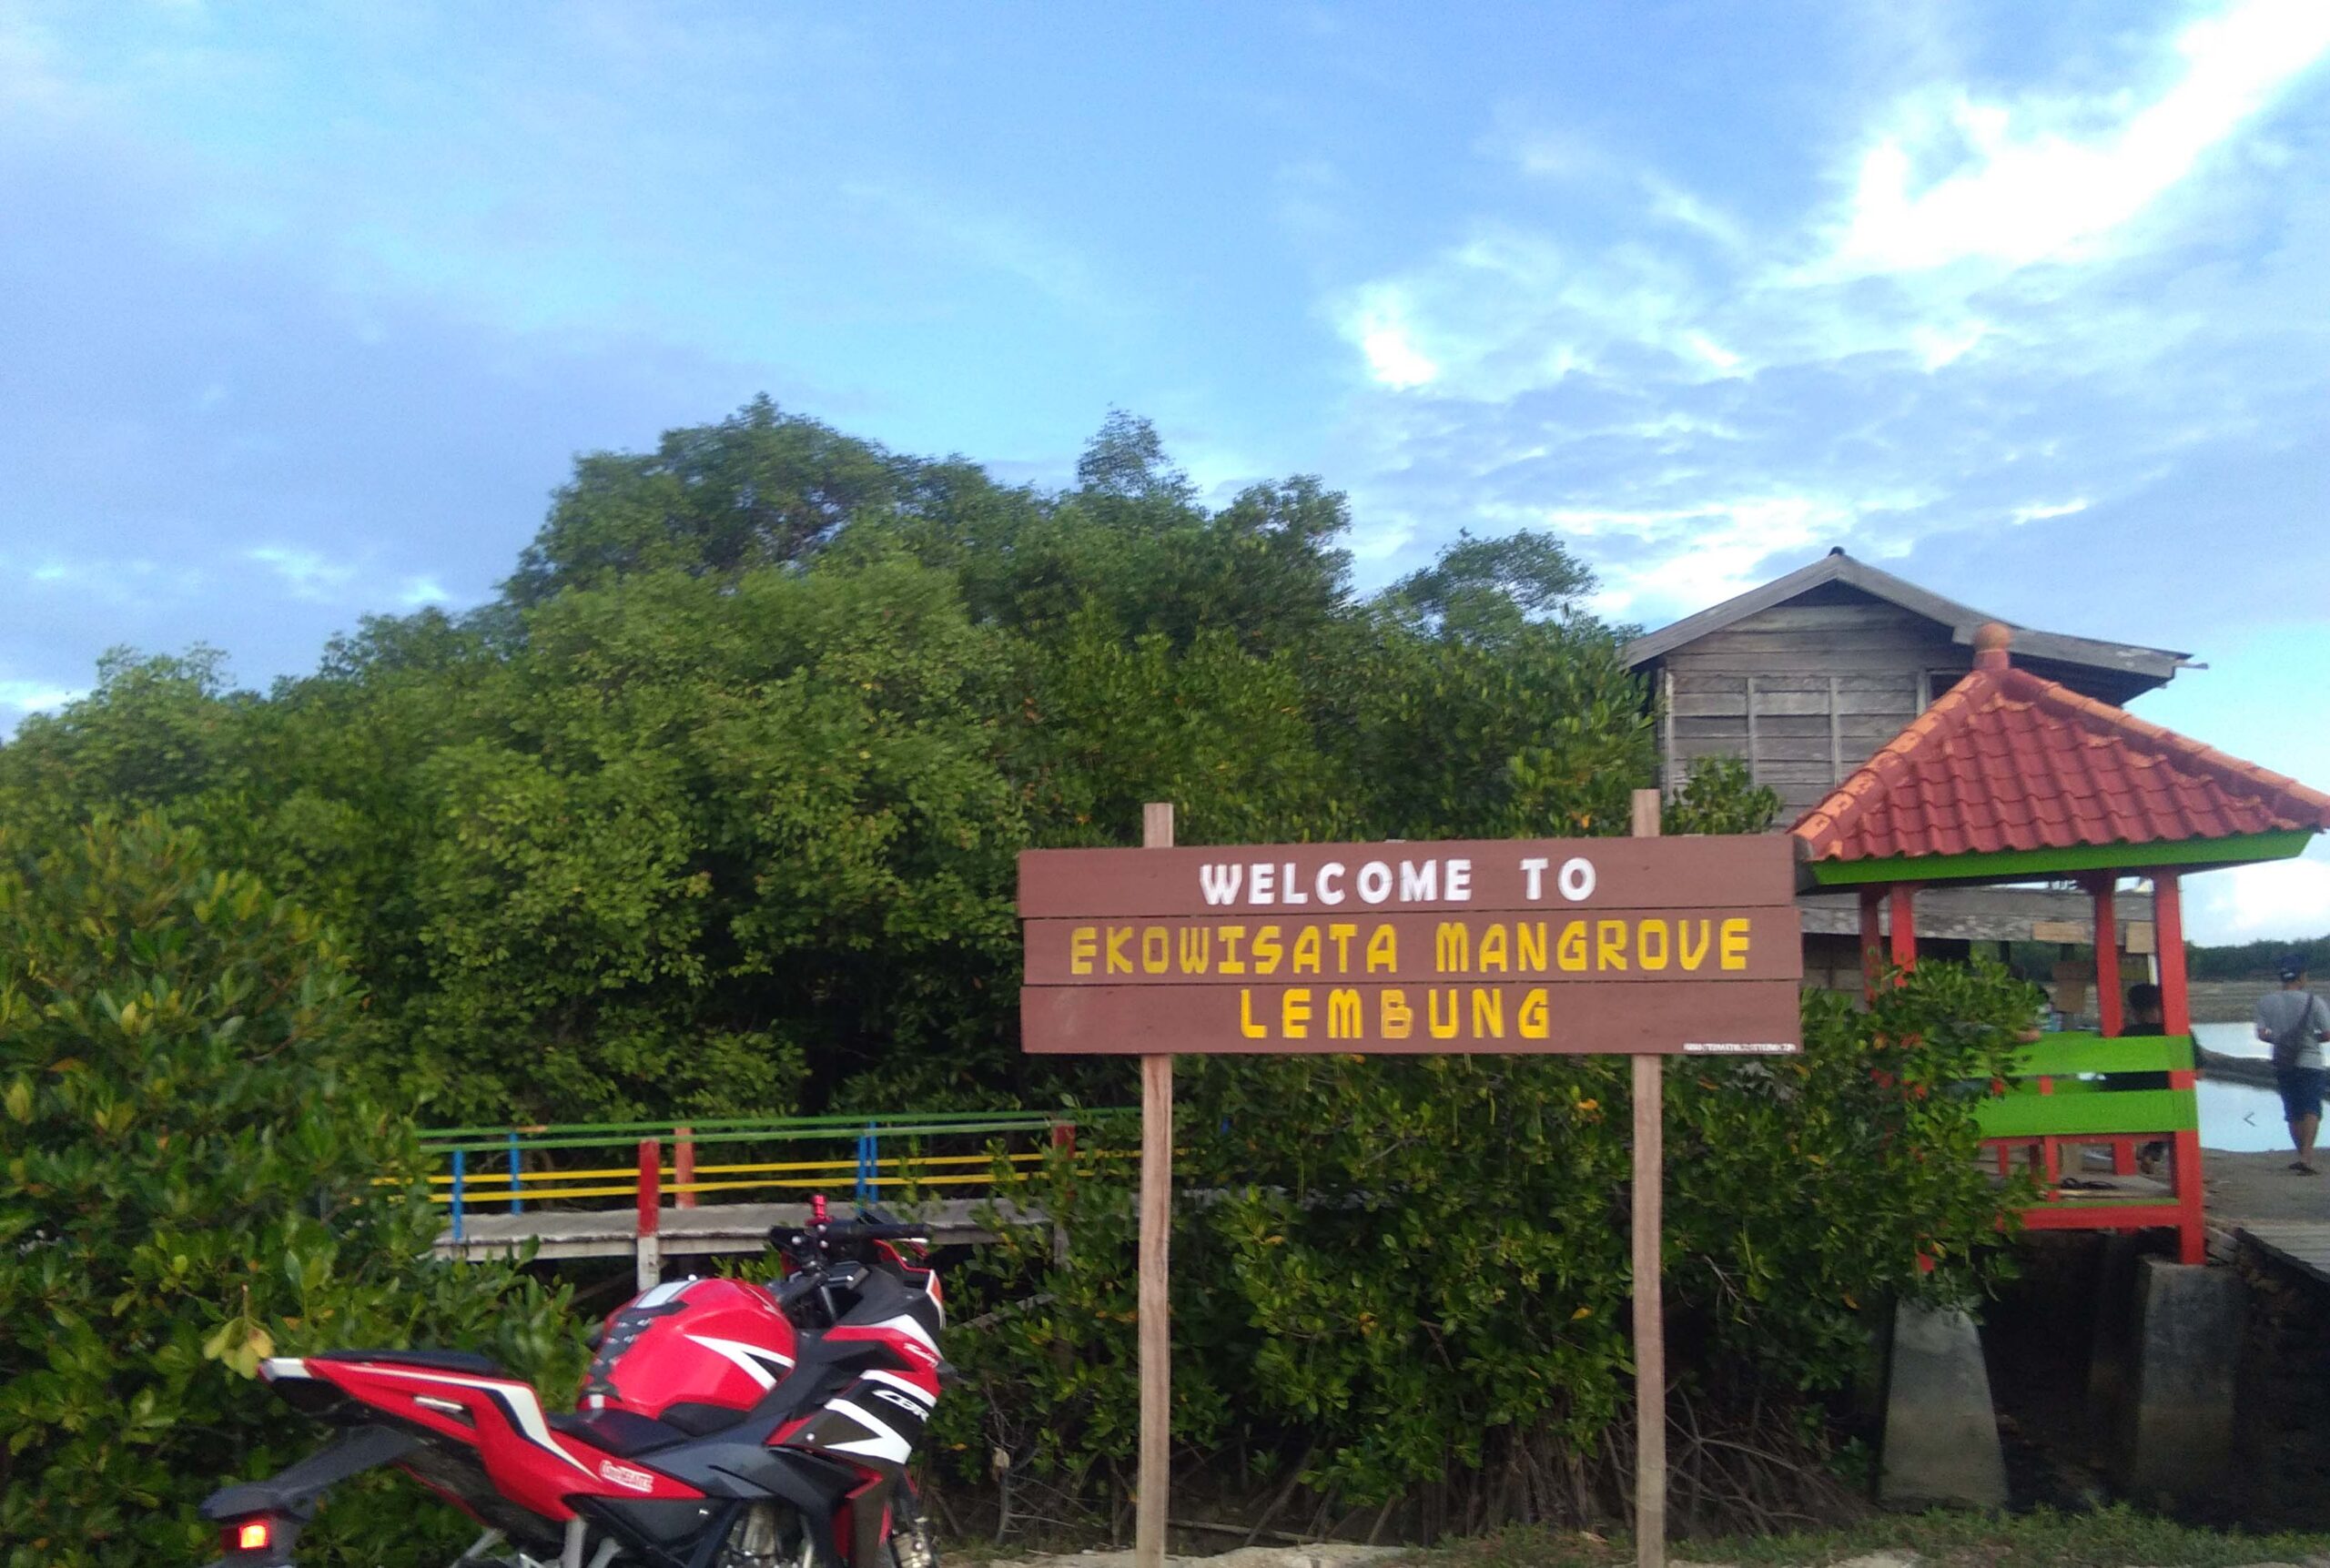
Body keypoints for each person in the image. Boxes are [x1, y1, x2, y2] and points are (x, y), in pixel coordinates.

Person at [2257, 955, 2330, 1175]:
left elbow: (2262, 1034)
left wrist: (2282, 1041)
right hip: (2310, 1062)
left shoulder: (2266, 1002)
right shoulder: (2314, 1001)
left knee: (2292, 1110)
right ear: (2301, 977)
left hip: (2283, 1062)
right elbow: (2327, 1034)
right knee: (2311, 1108)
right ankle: (2306, 1157)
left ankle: (2301, 1155)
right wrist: (2309, 1040)